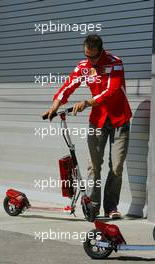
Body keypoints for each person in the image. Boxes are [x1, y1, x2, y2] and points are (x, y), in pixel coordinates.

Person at [43, 34, 132, 221]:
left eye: (93, 57)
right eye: (86, 56)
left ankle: (111, 207)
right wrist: (54, 106)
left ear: (101, 51)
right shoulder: (84, 67)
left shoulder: (116, 63)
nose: (90, 60)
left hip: (119, 120)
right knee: (94, 166)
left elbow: (112, 91)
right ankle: (93, 207)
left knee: (116, 166)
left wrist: (88, 102)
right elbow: (68, 86)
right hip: (98, 121)